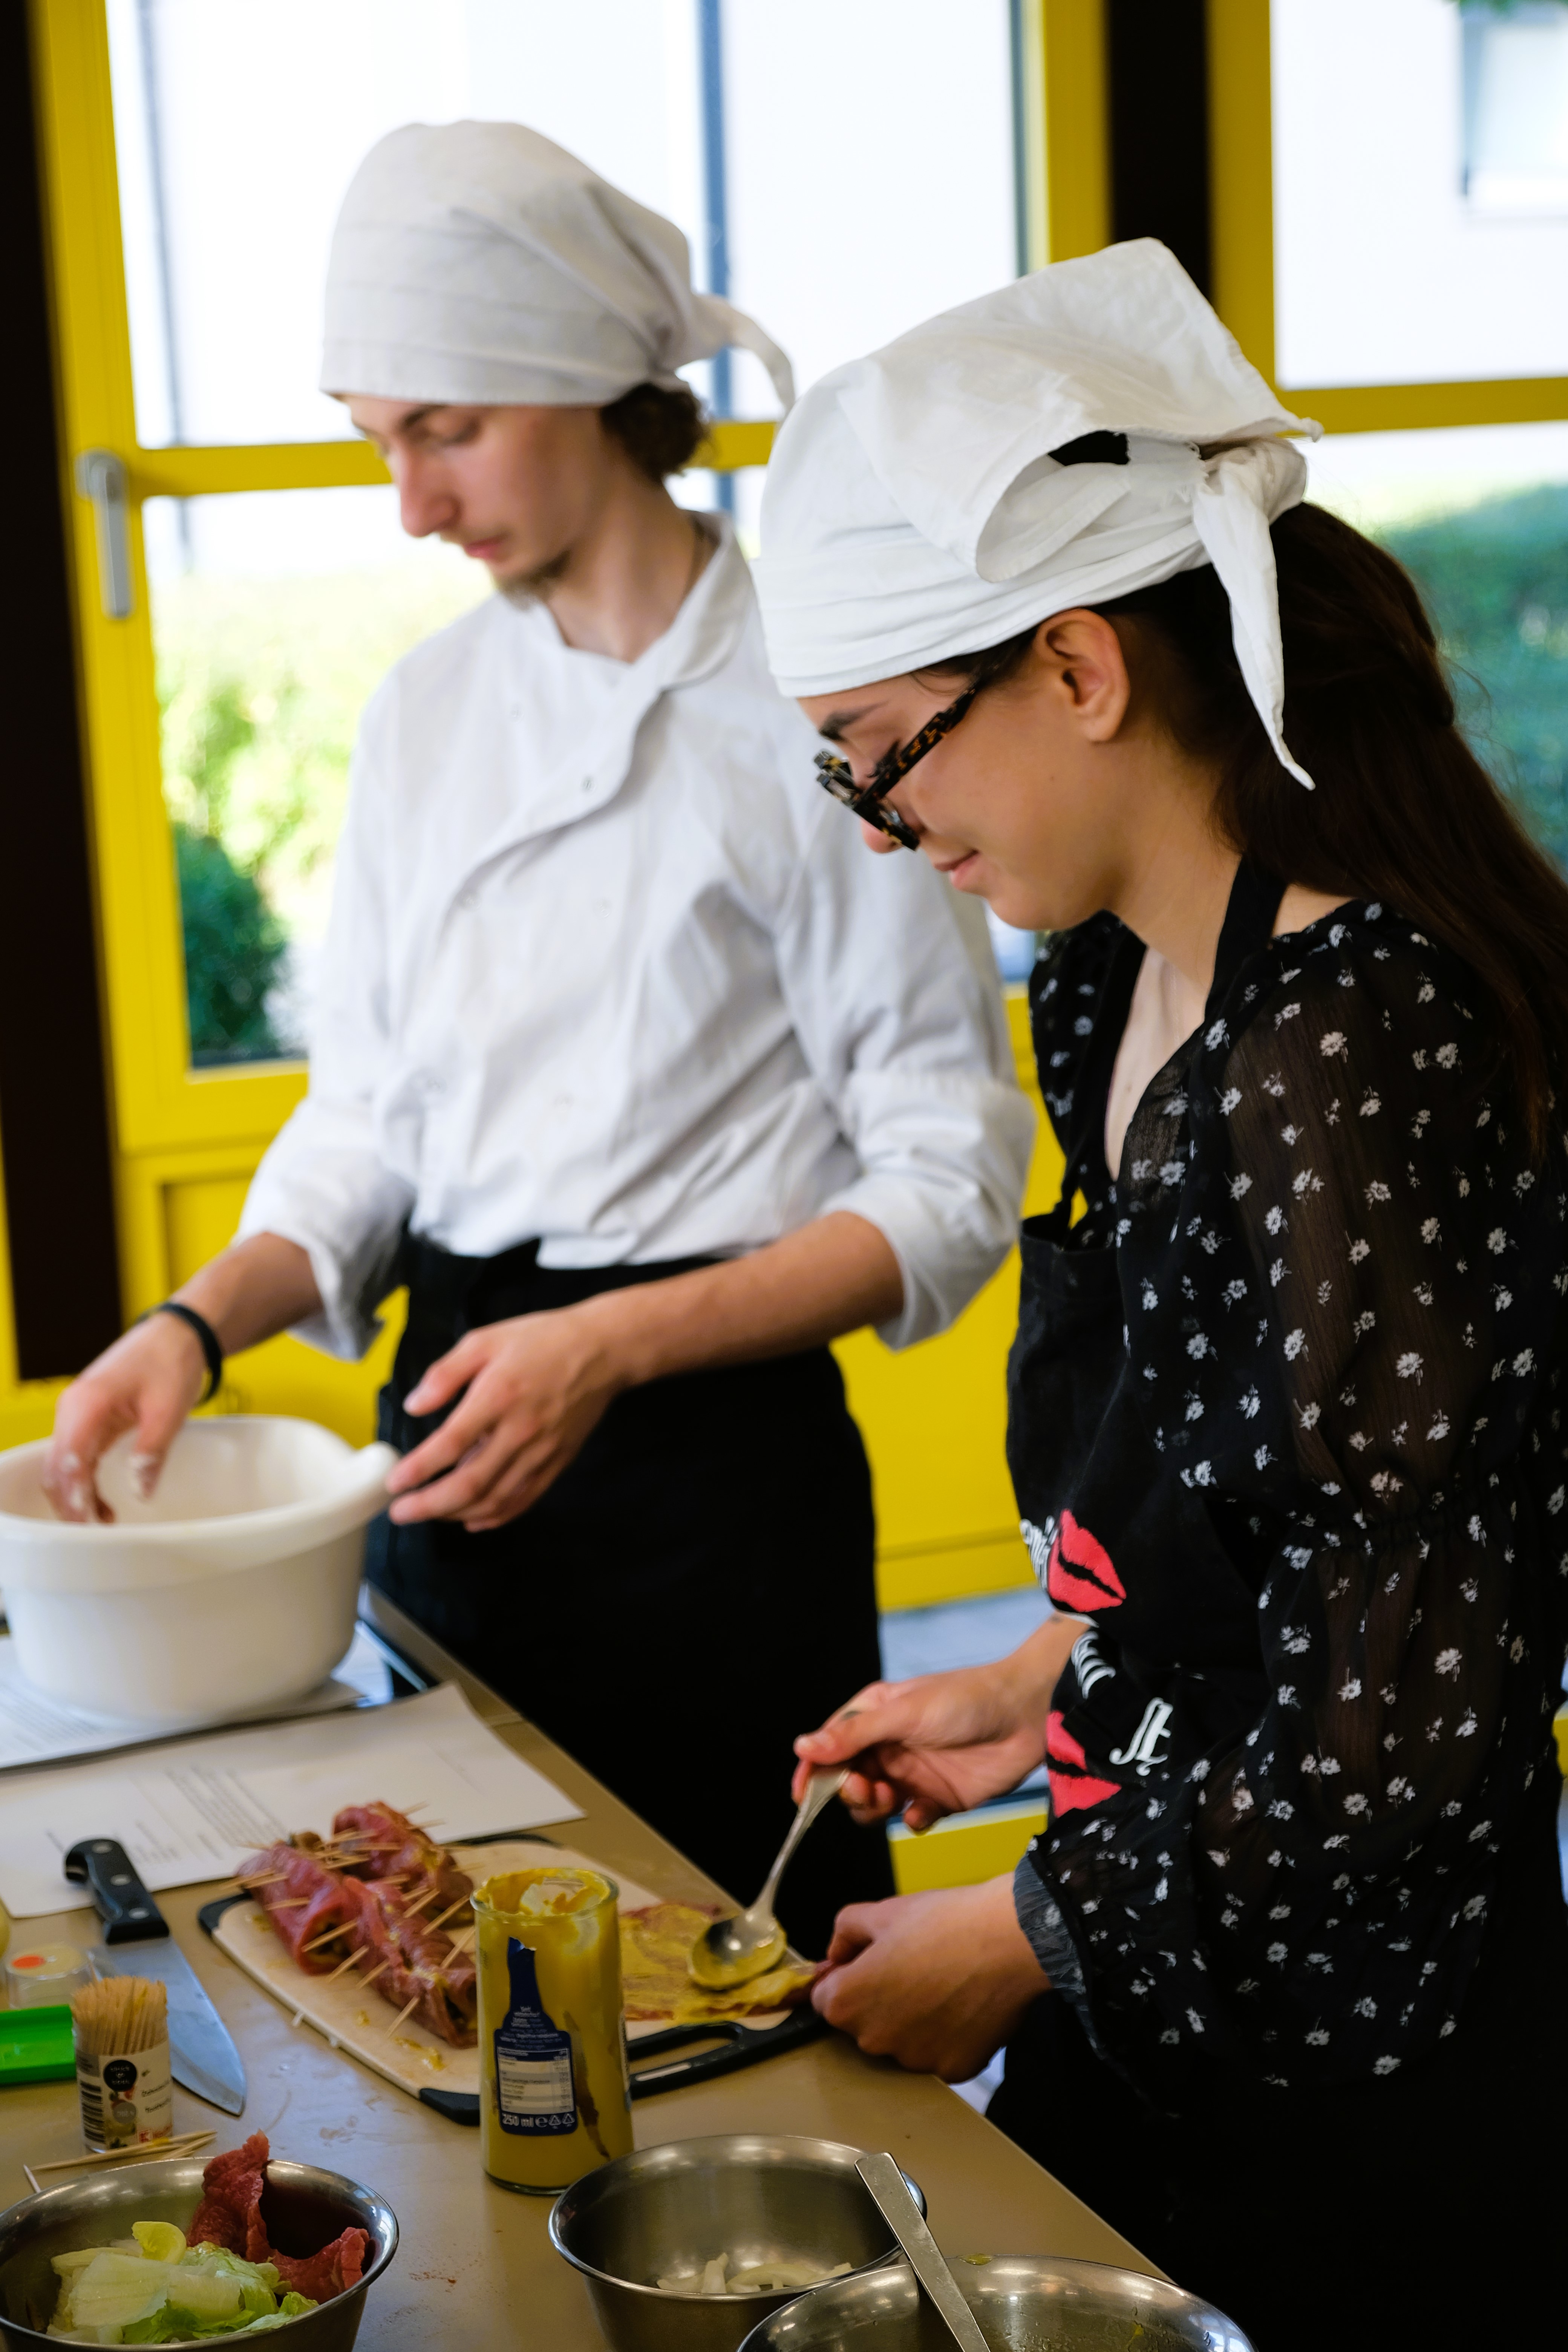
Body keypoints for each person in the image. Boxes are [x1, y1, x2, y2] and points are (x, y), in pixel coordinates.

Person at [45, 124, 1033, 1959]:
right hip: (456, 1452)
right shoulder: (428, 715)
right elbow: (370, 1122)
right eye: (378, 440)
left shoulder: (810, 703)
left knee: (749, 2001)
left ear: (590, 381)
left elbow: (951, 1176)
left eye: (443, 430)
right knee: (457, 1969)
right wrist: (191, 1329)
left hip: (715, 1488)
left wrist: (607, 1347)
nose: (411, 505)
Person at [752, 240, 1568, 2344]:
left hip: (1348, 2088)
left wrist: (1024, 1929)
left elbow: (1409, 1738)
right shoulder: (1115, 977)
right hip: (1170, 1988)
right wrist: (1046, 1681)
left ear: (1084, 670)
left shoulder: (1352, 1050)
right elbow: (1249, 1511)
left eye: (878, 750)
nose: (872, 821)